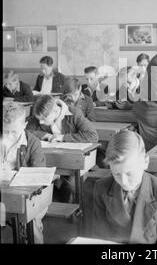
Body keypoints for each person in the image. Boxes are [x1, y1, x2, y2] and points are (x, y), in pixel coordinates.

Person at [92, 130, 157, 244]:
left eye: (129, 173)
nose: (124, 182)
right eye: (116, 174)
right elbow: (100, 236)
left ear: (145, 162)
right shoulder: (101, 187)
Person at [26, 95, 98, 202]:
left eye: (43, 119)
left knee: (71, 186)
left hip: (74, 161)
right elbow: (26, 132)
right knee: (42, 183)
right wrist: (46, 135)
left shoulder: (74, 113)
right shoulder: (40, 113)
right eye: (39, 119)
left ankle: (74, 210)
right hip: (50, 160)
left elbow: (93, 136)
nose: (40, 122)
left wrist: (63, 137)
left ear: (55, 111)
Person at [1, 102, 46, 243]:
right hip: (3, 194)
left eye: (14, 132)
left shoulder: (33, 143)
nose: (9, 136)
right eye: (6, 131)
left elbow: (38, 178)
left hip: (28, 197)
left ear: (24, 125)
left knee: (30, 224)